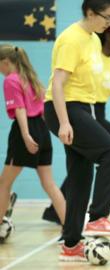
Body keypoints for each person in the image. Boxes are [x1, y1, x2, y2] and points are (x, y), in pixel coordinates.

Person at [41, 13, 110, 221]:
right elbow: (61, 80)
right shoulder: (92, 51)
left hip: (95, 112)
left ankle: (58, 212)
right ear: (108, 35)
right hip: (82, 110)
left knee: (83, 164)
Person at [43, 0, 110, 261]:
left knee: (80, 176)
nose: (109, 23)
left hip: (81, 109)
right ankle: (99, 217)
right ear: (90, 13)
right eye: (107, 17)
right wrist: (65, 122)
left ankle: (71, 245)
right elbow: (57, 84)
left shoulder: (92, 39)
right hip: (64, 108)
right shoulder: (71, 39)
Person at [0, 44, 66, 228]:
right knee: (49, 183)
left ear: (6, 62)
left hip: (26, 130)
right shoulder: (31, 78)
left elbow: (20, 109)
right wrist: (47, 134)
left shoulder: (11, 80)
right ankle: (71, 228)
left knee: (4, 183)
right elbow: (45, 110)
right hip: (42, 130)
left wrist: (27, 136)